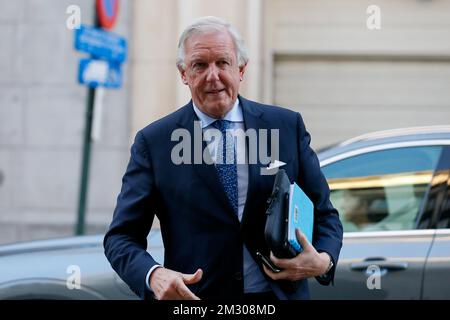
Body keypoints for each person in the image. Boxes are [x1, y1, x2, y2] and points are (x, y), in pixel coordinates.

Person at [104, 16, 343, 300]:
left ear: (241, 69)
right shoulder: (155, 143)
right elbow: (121, 238)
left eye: (223, 63)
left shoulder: (286, 127)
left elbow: (325, 213)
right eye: (200, 65)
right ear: (184, 74)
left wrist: (324, 260)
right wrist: (153, 275)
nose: (213, 76)